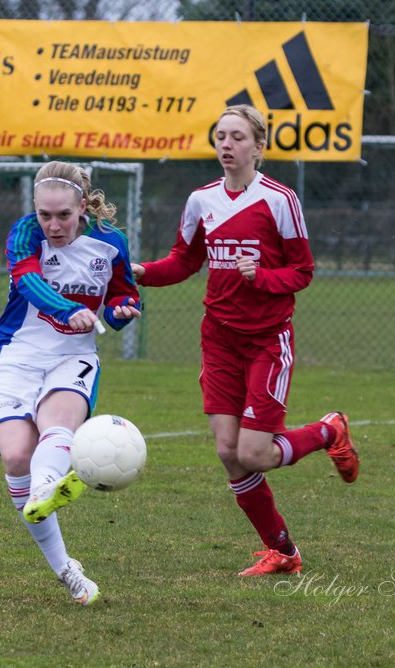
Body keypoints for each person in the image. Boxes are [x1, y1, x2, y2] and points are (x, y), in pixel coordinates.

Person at [131, 104, 359, 577]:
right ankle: (283, 551)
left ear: (259, 146)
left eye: (237, 137)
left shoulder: (280, 199)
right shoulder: (201, 200)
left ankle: (328, 430)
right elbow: (184, 261)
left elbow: (303, 271)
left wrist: (262, 279)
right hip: (218, 338)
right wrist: (140, 274)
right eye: (220, 136)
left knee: (254, 453)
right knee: (227, 452)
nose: (227, 145)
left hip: (267, 342)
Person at [0, 160, 142, 605]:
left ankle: (45, 486)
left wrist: (121, 312)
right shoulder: (24, 233)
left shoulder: (110, 243)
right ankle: (66, 568)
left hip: (73, 355)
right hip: (15, 356)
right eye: (45, 215)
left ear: (82, 208)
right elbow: (27, 280)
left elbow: (124, 294)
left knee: (58, 425)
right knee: (16, 455)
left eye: (63, 216)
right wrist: (64, 307)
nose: (53, 225)